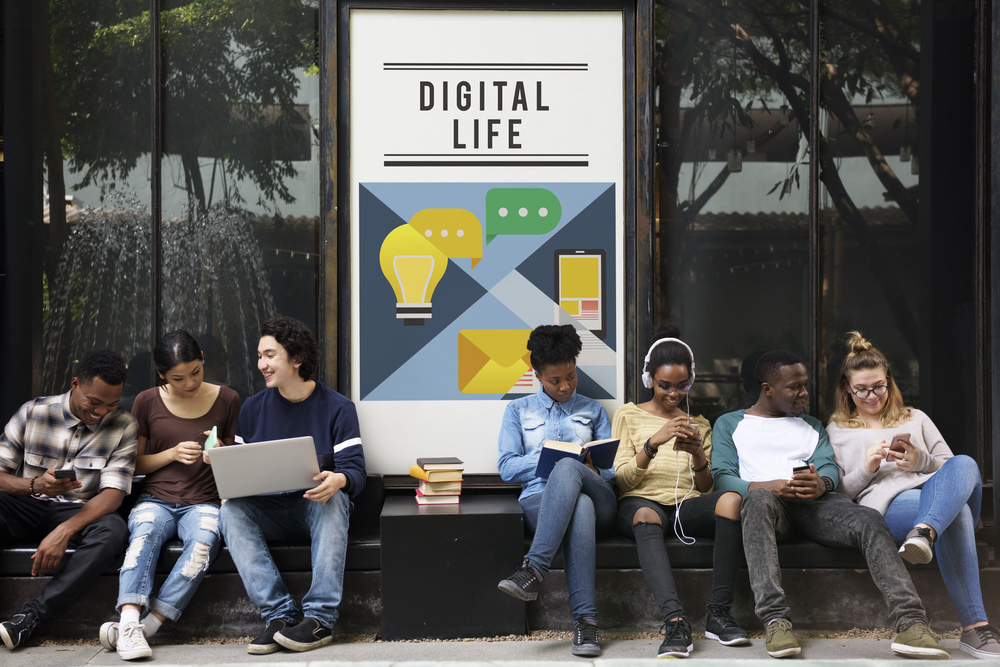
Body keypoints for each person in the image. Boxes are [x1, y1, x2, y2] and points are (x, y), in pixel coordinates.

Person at [712, 349, 949, 660]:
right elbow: (723, 478)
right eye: (794, 386)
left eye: (805, 384)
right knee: (756, 500)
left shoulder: (811, 424)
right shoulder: (730, 423)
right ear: (767, 389)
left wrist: (821, 483)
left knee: (868, 519)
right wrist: (766, 485)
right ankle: (775, 620)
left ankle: (912, 623)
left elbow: (828, 469)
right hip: (768, 507)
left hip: (816, 506)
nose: (804, 392)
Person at [827, 331, 1000, 659]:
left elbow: (954, 470)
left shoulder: (915, 417)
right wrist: (867, 467)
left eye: (878, 386)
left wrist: (919, 460)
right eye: (861, 389)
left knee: (966, 462)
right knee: (958, 515)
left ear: (889, 382)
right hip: (891, 507)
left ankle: (925, 531)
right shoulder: (837, 430)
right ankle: (975, 628)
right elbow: (840, 496)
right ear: (847, 389)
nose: (871, 396)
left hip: (936, 496)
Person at [219, 316, 366, 654]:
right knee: (230, 512)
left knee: (335, 499)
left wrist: (339, 479)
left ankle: (319, 620)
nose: (262, 364)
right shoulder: (252, 408)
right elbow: (242, 471)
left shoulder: (338, 408)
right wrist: (226, 473)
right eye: (259, 356)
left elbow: (355, 471)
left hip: (314, 508)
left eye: (270, 355)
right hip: (267, 510)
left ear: (296, 358)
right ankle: (280, 616)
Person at [98, 331, 241, 660]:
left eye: (196, 371)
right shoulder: (146, 401)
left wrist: (220, 452)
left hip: (205, 501)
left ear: (203, 359)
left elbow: (238, 460)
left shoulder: (229, 399)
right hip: (157, 499)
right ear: (161, 373)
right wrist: (173, 453)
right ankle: (130, 619)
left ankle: (147, 627)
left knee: (203, 546)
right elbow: (132, 465)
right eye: (178, 378)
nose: (190, 383)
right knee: (143, 535)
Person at [612, 328, 748, 658]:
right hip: (641, 503)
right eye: (665, 385)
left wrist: (699, 456)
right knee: (645, 514)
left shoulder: (699, 422)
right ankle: (675, 621)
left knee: (731, 500)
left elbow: (707, 489)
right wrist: (652, 443)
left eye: (682, 385)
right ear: (650, 380)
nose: (674, 393)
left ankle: (718, 614)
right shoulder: (627, 414)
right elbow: (622, 482)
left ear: (692, 379)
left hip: (685, 506)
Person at [0, 350, 138, 650]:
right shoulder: (33, 412)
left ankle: (30, 618)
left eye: (111, 404)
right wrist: (35, 484)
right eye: (94, 402)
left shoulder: (124, 425)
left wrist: (64, 531)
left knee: (113, 530)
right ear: (75, 384)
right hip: (28, 505)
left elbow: (113, 495)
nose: (101, 412)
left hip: (80, 514)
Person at [496, 324, 617, 657]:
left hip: (600, 498)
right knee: (578, 506)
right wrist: (549, 453)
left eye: (571, 377)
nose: (565, 386)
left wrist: (587, 466)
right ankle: (586, 625)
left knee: (571, 473)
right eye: (555, 380)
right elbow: (507, 468)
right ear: (537, 375)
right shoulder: (517, 411)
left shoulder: (593, 410)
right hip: (541, 500)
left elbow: (611, 474)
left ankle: (534, 569)